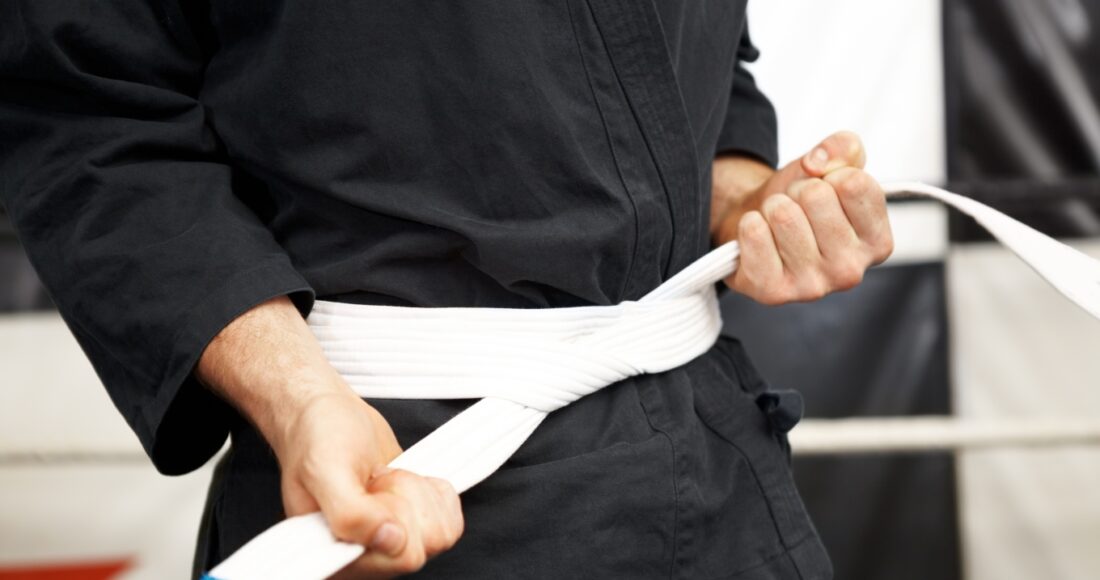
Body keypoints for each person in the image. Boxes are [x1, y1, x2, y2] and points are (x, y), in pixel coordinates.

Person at [0, 2, 892, 578]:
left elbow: (703, 59)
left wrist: (744, 198)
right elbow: (88, 109)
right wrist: (297, 398)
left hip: (716, 474)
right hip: (394, 472)